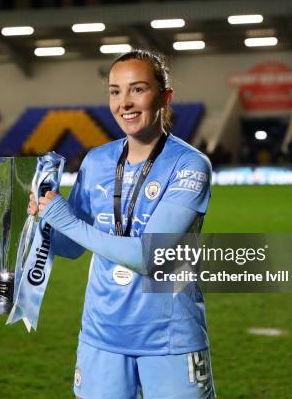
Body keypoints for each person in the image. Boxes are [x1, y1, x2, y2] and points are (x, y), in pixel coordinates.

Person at [29, 49, 215, 398]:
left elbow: (148, 256)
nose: (124, 102)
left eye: (138, 89)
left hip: (169, 336)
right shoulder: (97, 160)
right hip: (102, 335)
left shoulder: (190, 165)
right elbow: (70, 247)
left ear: (165, 96)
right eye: (115, 91)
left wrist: (63, 218)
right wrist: (39, 221)